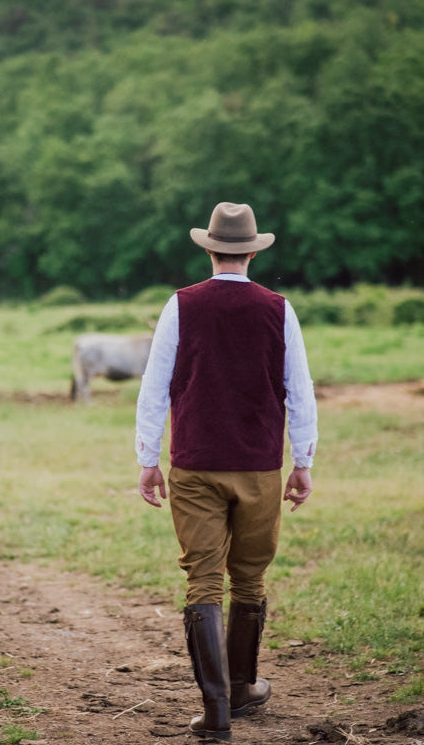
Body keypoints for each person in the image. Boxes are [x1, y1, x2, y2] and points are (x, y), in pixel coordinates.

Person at [135, 202, 318, 742]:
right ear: (252, 253)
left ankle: (216, 712)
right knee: (250, 578)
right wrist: (302, 462)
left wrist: (149, 459)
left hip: (194, 463)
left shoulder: (180, 305)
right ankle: (241, 689)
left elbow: (155, 385)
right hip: (261, 465)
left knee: (203, 581)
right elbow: (300, 391)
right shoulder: (278, 308)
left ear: (210, 249)